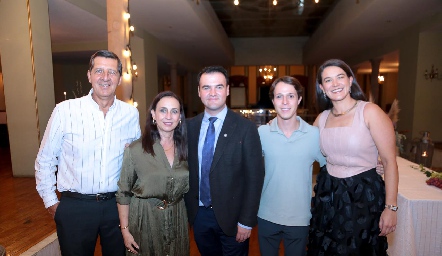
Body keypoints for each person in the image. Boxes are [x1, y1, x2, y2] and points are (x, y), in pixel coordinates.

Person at [35, 50, 141, 256]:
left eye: (112, 72)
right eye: (99, 70)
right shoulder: (65, 111)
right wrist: (52, 203)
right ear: (89, 75)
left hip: (117, 206)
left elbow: (135, 162)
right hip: (75, 207)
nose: (105, 77)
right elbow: (46, 159)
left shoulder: (130, 114)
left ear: (119, 78)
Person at [308, 59, 399, 256]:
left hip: (362, 196)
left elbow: (390, 162)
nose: (335, 84)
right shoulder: (321, 118)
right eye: (328, 80)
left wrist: (391, 208)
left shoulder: (370, 112)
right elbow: (305, 153)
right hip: (328, 194)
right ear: (322, 87)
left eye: (340, 77)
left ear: (350, 81)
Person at [184, 66, 265, 256]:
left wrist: (246, 221)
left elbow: (255, 178)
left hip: (234, 217)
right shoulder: (188, 127)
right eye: (206, 87)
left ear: (227, 90)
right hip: (199, 215)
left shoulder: (246, 128)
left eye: (218, 87)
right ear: (199, 91)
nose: (212, 93)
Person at [257, 76, 326, 256]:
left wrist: (369, 164)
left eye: (291, 96)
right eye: (279, 96)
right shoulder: (262, 133)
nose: (285, 102)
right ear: (273, 101)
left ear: (299, 99)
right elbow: (246, 168)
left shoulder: (314, 135)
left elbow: (334, 166)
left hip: (300, 218)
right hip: (266, 215)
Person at [116, 91, 189, 255]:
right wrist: (125, 230)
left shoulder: (187, 149)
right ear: (153, 114)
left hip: (177, 219)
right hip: (145, 220)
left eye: (174, 111)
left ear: (180, 118)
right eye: (163, 110)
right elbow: (123, 193)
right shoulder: (135, 150)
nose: (168, 116)